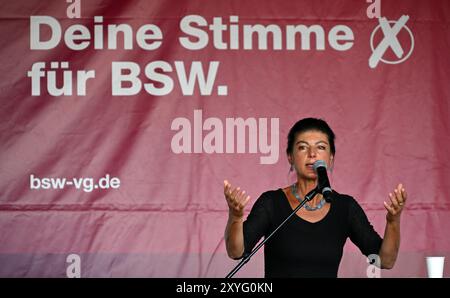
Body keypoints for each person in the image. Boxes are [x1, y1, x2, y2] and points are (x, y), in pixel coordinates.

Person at [223, 118, 407, 277]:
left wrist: (393, 222)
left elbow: (385, 261)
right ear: (290, 157)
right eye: (303, 147)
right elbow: (236, 252)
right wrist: (236, 217)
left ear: (331, 157)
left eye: (321, 147)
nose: (312, 154)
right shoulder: (271, 203)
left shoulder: (345, 207)